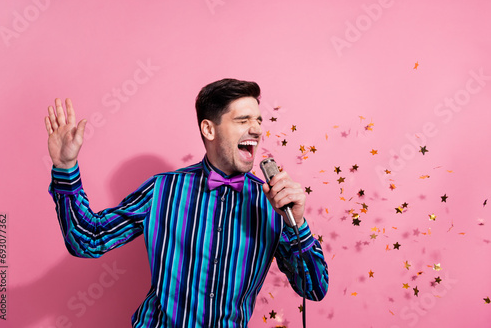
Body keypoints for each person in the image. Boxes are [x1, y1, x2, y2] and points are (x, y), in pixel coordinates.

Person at [45, 78, 329, 327]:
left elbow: (314, 288)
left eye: (258, 121)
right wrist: (65, 167)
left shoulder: (272, 204)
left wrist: (298, 224)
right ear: (209, 129)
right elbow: (87, 240)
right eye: (243, 120)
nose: (255, 129)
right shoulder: (162, 190)